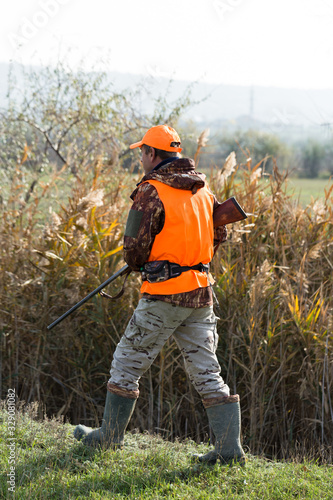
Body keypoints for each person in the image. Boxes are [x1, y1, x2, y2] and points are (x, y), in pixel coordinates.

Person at [74, 125, 245, 465]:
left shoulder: (151, 190)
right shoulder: (203, 190)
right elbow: (218, 235)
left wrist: (145, 260)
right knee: (207, 370)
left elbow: (134, 251)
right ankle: (228, 451)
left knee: (126, 363)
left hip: (164, 296)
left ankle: (108, 439)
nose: (141, 157)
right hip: (200, 293)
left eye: (142, 152)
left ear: (152, 155)